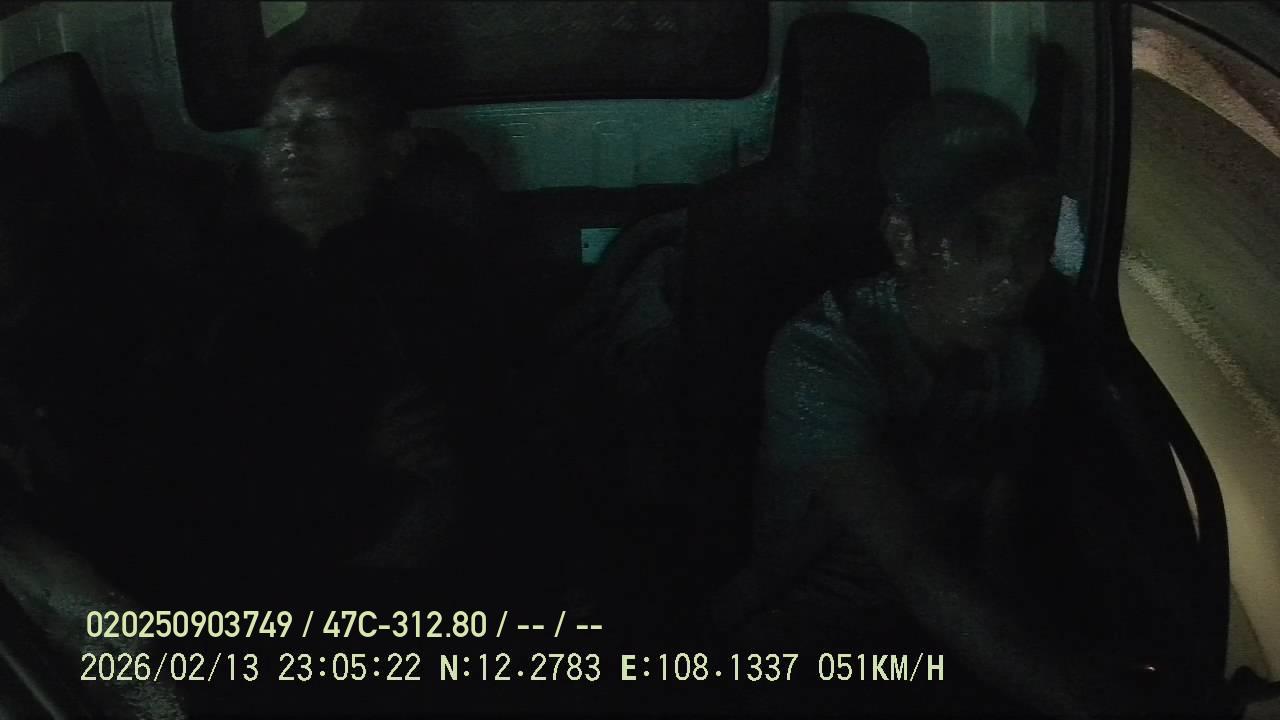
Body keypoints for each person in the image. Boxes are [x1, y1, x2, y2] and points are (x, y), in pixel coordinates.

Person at [707, 91, 1159, 718]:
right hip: (804, 646)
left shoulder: (1018, 360)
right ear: (904, 238)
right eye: (977, 236)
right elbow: (913, 560)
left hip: (939, 642)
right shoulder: (820, 355)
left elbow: (994, 550)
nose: (1013, 270)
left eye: (1032, 236)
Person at [191, 46, 496, 585]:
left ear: (393, 151)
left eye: (325, 123)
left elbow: (456, 440)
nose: (291, 144)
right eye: (275, 127)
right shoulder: (220, 271)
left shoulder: (430, 271)